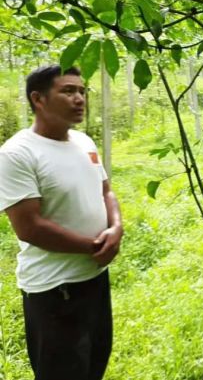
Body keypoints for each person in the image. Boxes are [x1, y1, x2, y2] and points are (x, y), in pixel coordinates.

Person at [0, 65, 123, 380]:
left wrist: (117, 227)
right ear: (38, 99)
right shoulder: (17, 153)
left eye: (82, 91)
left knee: (95, 361)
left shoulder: (84, 143)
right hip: (55, 289)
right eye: (68, 91)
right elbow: (29, 227)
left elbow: (105, 190)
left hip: (94, 278)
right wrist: (95, 245)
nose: (80, 98)